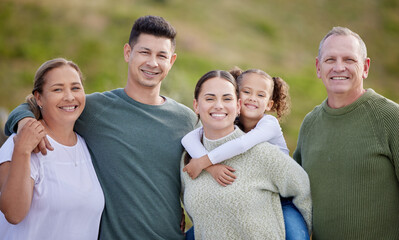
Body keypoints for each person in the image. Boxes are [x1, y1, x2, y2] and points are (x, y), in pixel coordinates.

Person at [4, 16, 198, 239]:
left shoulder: (186, 120)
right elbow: (32, 104)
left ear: (171, 60)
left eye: (161, 55)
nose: (152, 62)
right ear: (128, 52)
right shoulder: (94, 108)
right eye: (144, 52)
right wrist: (25, 122)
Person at [293, 26, 399, 240]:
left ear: (365, 67)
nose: (339, 67)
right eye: (330, 60)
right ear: (318, 67)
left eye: (349, 60)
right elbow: (294, 193)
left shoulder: (390, 117)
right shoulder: (310, 124)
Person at [181, 70, 312, 239]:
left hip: (282, 198)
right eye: (247, 92)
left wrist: (203, 162)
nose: (252, 98)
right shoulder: (230, 121)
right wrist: (212, 168)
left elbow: (242, 144)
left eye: (260, 95)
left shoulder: (268, 124)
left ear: (269, 104)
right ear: (239, 99)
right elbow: (189, 138)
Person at [0, 58, 104, 240]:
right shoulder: (20, 142)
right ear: (39, 97)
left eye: (75, 88)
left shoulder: (86, 144)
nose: (69, 97)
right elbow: (13, 214)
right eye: (57, 89)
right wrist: (22, 151)